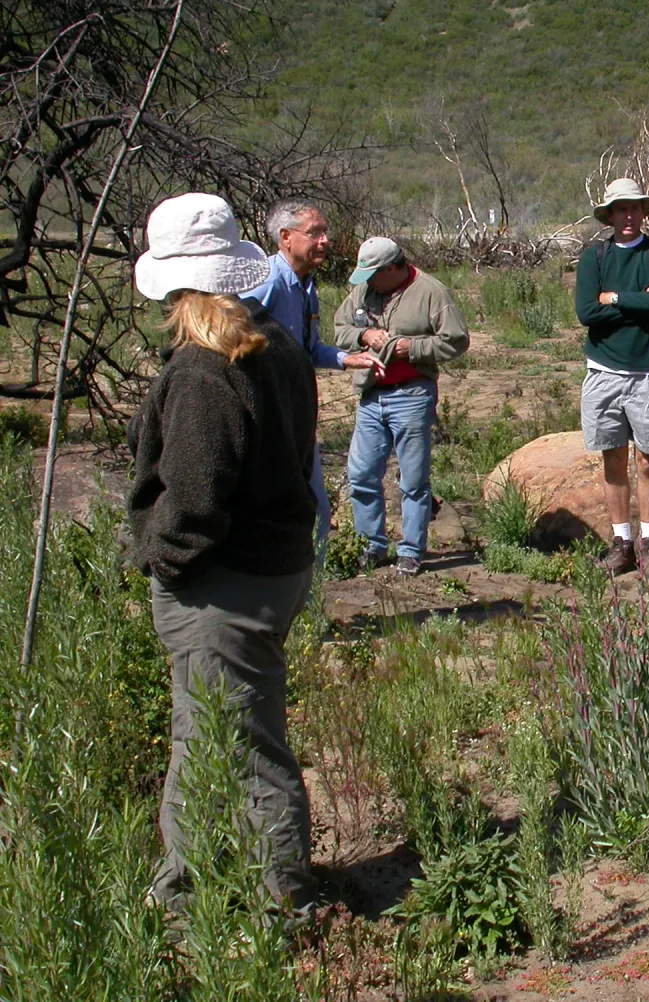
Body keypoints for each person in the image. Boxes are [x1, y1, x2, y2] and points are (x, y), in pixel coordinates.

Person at [127, 192, 319, 914]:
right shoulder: (275, 344)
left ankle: (281, 902)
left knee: (241, 742)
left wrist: (159, 555)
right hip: (273, 566)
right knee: (212, 731)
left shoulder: (205, 370)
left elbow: (196, 498)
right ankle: (189, 890)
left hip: (224, 582)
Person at [246, 198, 382, 552]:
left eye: (325, 232)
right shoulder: (266, 283)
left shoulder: (306, 287)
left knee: (316, 511)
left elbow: (306, 349)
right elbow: (232, 339)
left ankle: (309, 596)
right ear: (286, 237)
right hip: (269, 419)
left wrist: (347, 359)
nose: (324, 241)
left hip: (298, 417)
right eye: (315, 233)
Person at [332, 237, 469, 577]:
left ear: (392, 268)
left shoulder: (430, 291)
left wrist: (411, 347)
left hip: (412, 395)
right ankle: (371, 547)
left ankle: (411, 550)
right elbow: (340, 329)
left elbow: (456, 339)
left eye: (373, 274)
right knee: (361, 474)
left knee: (413, 479)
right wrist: (364, 337)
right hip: (371, 395)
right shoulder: (362, 293)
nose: (367, 283)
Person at [575, 178, 649, 576]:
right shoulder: (595, 258)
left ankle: (648, 540)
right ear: (611, 215)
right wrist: (643, 301)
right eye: (621, 209)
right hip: (603, 373)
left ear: (643, 212)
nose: (629, 216)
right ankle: (621, 542)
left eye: (635, 208)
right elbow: (587, 312)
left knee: (648, 461)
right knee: (613, 459)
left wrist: (614, 297)